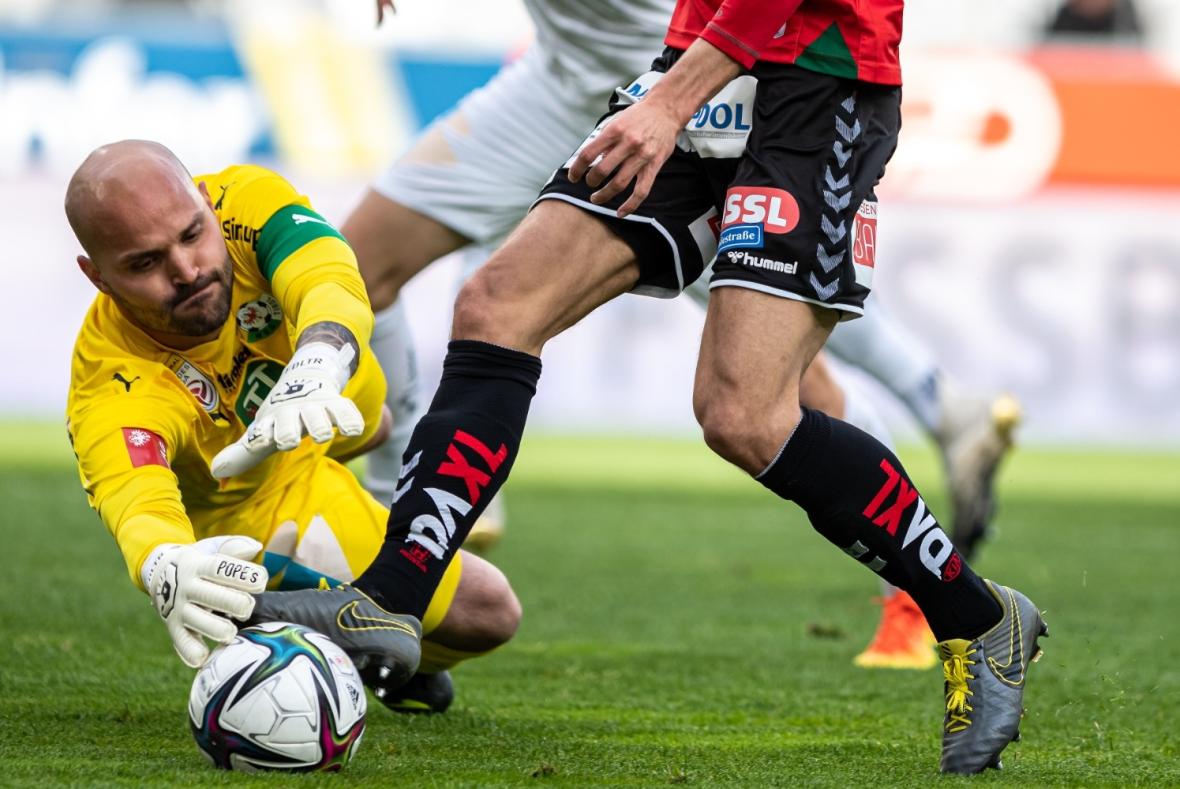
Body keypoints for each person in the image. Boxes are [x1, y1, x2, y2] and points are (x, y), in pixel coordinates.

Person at [348, 0, 1016, 670]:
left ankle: (930, 597)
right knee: (434, 287)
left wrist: (671, 102)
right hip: (576, 77)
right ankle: (389, 577)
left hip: (727, 72)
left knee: (761, 398)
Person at [64, 140, 521, 712]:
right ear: (97, 276)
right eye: (144, 263)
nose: (187, 270)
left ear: (206, 202)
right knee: (490, 611)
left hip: (319, 419)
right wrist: (162, 559)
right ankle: (314, 629)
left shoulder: (246, 202)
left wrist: (317, 360)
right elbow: (134, 500)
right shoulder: (113, 386)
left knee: (376, 422)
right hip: (257, 509)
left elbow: (329, 276)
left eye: (191, 234)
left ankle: (361, 647)